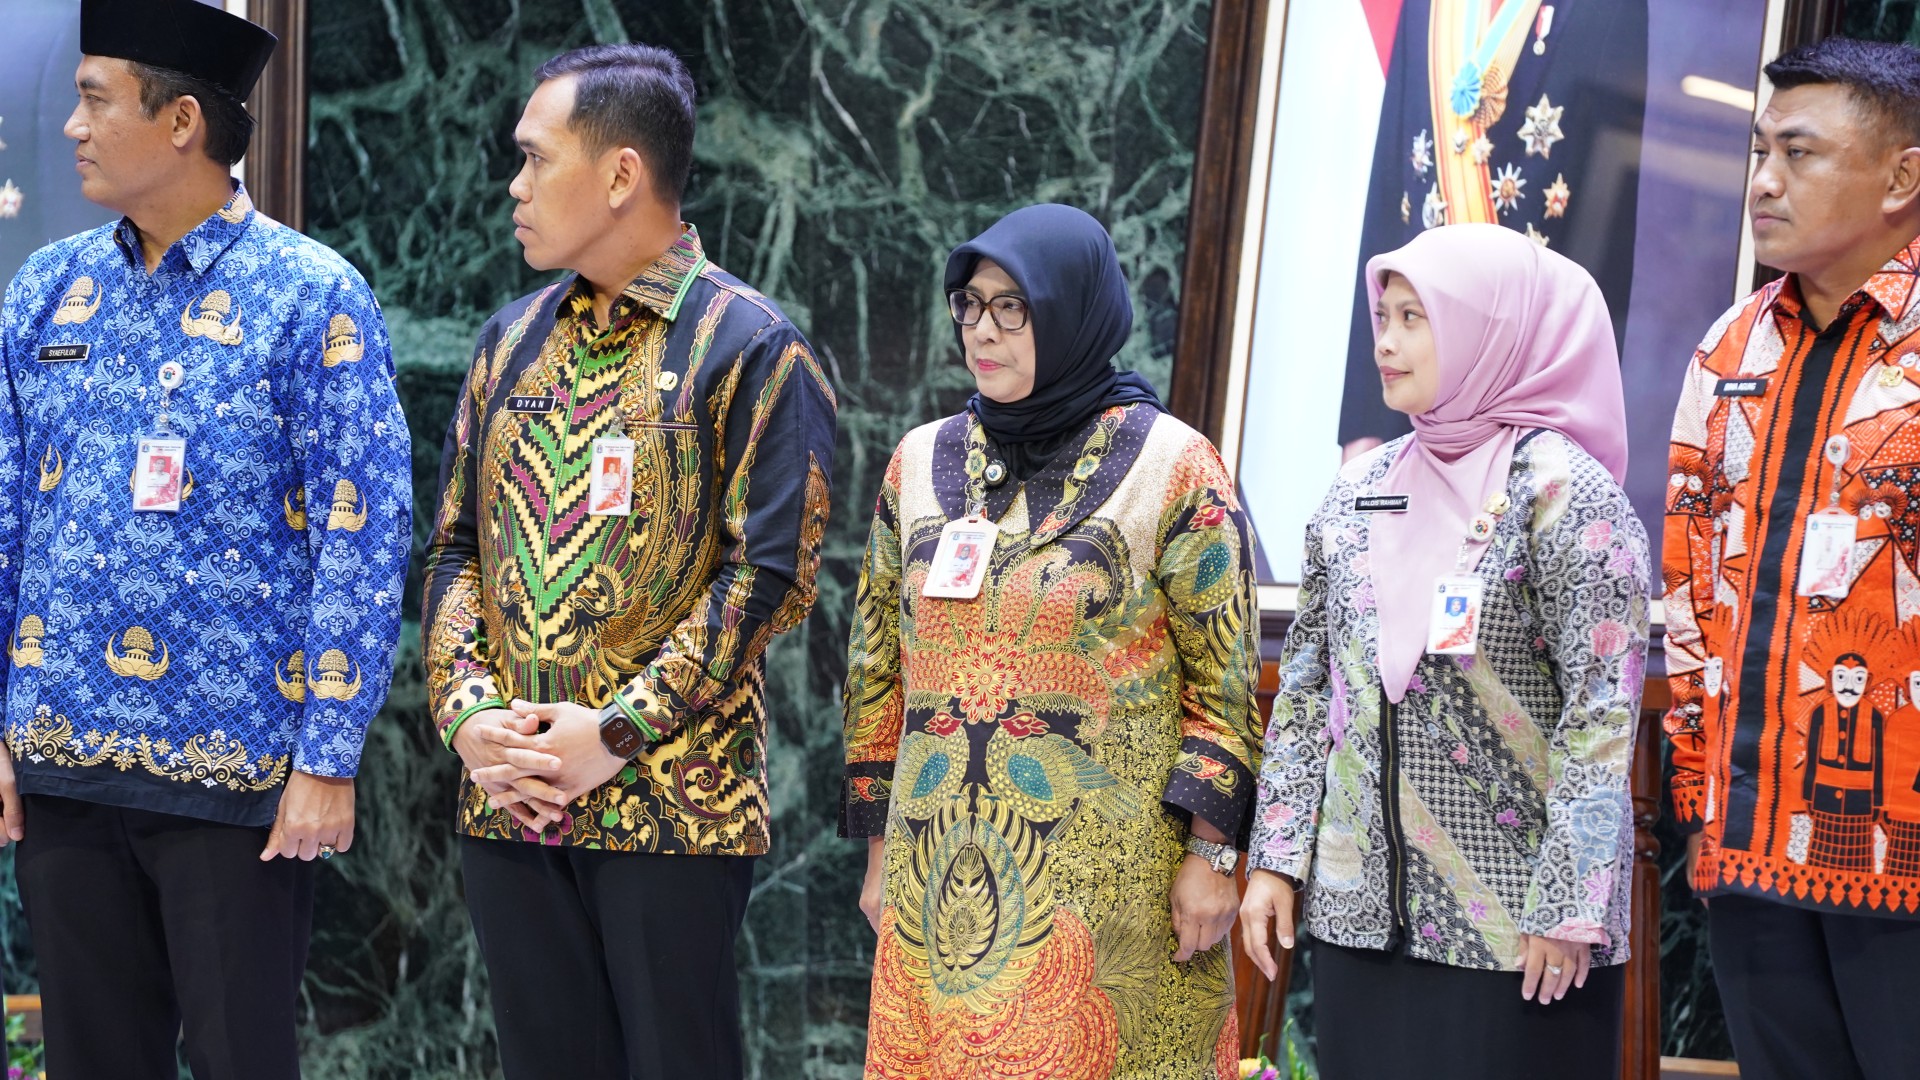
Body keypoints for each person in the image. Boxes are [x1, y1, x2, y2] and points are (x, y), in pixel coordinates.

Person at [0, 0, 413, 1076]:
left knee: (242, 1057)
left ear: (181, 121)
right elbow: (4, 518)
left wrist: (328, 755)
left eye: (95, 101)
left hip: (240, 781)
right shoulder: (46, 291)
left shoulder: (312, 297)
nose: (72, 127)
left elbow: (362, 533)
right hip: (62, 765)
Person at [421, 43, 836, 1080]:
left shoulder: (750, 346)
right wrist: (469, 716)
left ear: (620, 175)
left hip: (673, 812)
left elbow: (771, 579)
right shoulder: (508, 342)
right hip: (511, 799)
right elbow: (455, 546)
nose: (514, 186)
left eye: (535, 158)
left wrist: (615, 731)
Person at [840, 204, 1262, 1079]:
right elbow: (877, 668)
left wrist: (1212, 855)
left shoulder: (1173, 466)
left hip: (1115, 905)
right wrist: (881, 852)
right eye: (969, 303)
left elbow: (1224, 686)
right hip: (937, 895)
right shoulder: (917, 462)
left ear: (1073, 312)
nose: (982, 330)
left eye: (1013, 307)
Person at [1240, 223, 1649, 1080]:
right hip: (1360, 921)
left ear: (1485, 329)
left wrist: (1568, 902)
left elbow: (1602, 717)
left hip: (1521, 937)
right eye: (1381, 317)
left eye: (1413, 318)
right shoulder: (1357, 491)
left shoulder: (1565, 496)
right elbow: (1307, 693)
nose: (1384, 344)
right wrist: (1276, 860)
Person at [1661, 37, 1920, 1080]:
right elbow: (1689, 588)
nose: (1763, 182)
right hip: (1748, 843)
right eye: (1760, 152)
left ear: (1902, 177)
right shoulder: (1729, 350)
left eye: (1799, 154)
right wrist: (1698, 800)